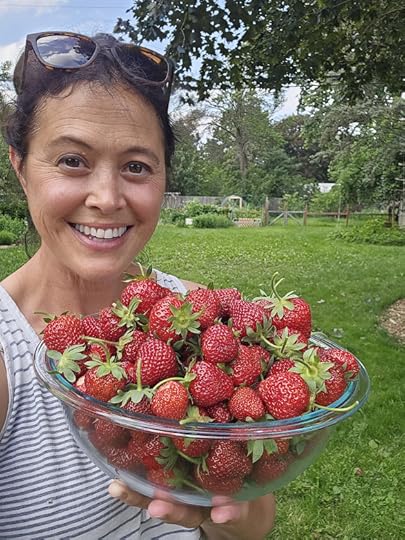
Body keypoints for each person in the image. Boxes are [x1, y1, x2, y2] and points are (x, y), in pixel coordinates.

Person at [0, 31, 276, 539]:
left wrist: (226, 511)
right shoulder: (7, 359)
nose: (106, 198)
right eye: (72, 161)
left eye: (136, 167)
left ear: (164, 177)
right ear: (20, 167)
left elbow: (251, 526)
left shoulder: (203, 315)